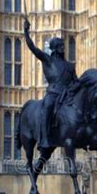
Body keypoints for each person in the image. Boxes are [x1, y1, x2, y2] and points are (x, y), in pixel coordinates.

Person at [24, 19, 78, 149]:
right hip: (53, 94)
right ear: (54, 48)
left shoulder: (69, 66)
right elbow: (33, 48)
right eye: (59, 45)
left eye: (62, 45)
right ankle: (44, 139)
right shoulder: (48, 60)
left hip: (67, 96)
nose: (62, 47)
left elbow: (77, 82)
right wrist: (26, 32)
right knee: (47, 107)